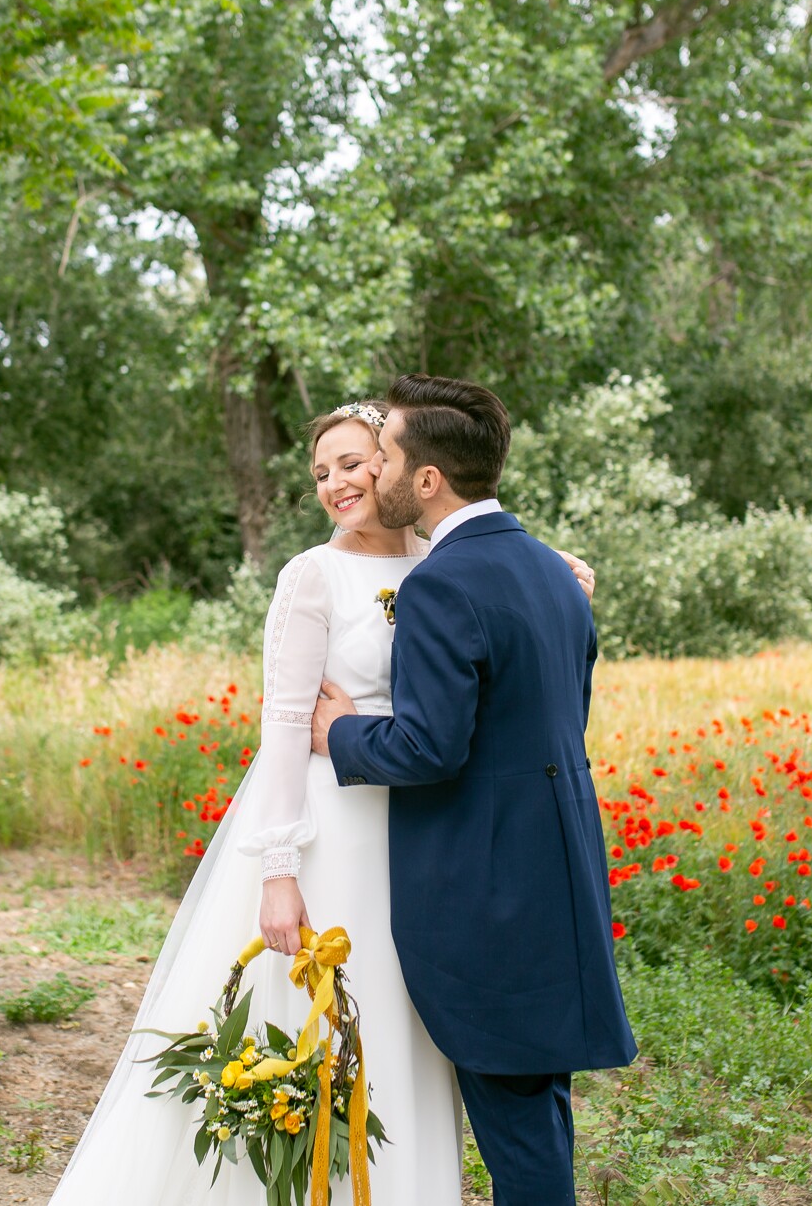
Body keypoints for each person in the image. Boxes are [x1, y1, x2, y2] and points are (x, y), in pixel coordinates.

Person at [47, 399, 596, 1205]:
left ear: (400, 466)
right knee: (329, 1028)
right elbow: (283, 722)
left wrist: (564, 577)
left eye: (354, 461)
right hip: (336, 831)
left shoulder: (441, 561)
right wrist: (278, 866)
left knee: (408, 1039)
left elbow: (495, 638)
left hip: (427, 843)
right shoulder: (313, 574)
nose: (337, 482)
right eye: (320, 471)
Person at [312, 374, 637, 1206]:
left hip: (491, 896)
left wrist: (339, 732)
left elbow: (431, 747)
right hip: (560, 875)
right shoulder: (554, 572)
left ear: (426, 479)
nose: (372, 469)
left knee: (520, 1136)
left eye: (382, 454)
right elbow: (555, 717)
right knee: (537, 1111)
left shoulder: (441, 584)